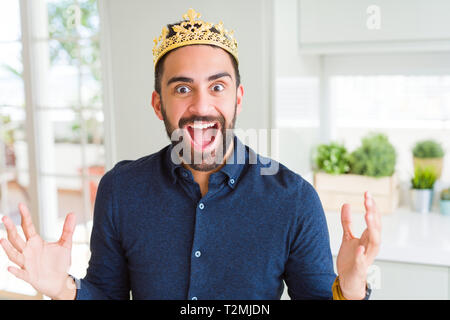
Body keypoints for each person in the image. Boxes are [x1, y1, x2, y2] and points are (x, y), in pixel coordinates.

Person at [0, 8, 380, 300]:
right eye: (182, 89)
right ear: (157, 104)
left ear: (238, 99)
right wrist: (63, 286)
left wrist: (349, 287)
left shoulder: (293, 199)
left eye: (217, 87)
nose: (201, 106)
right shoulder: (120, 189)